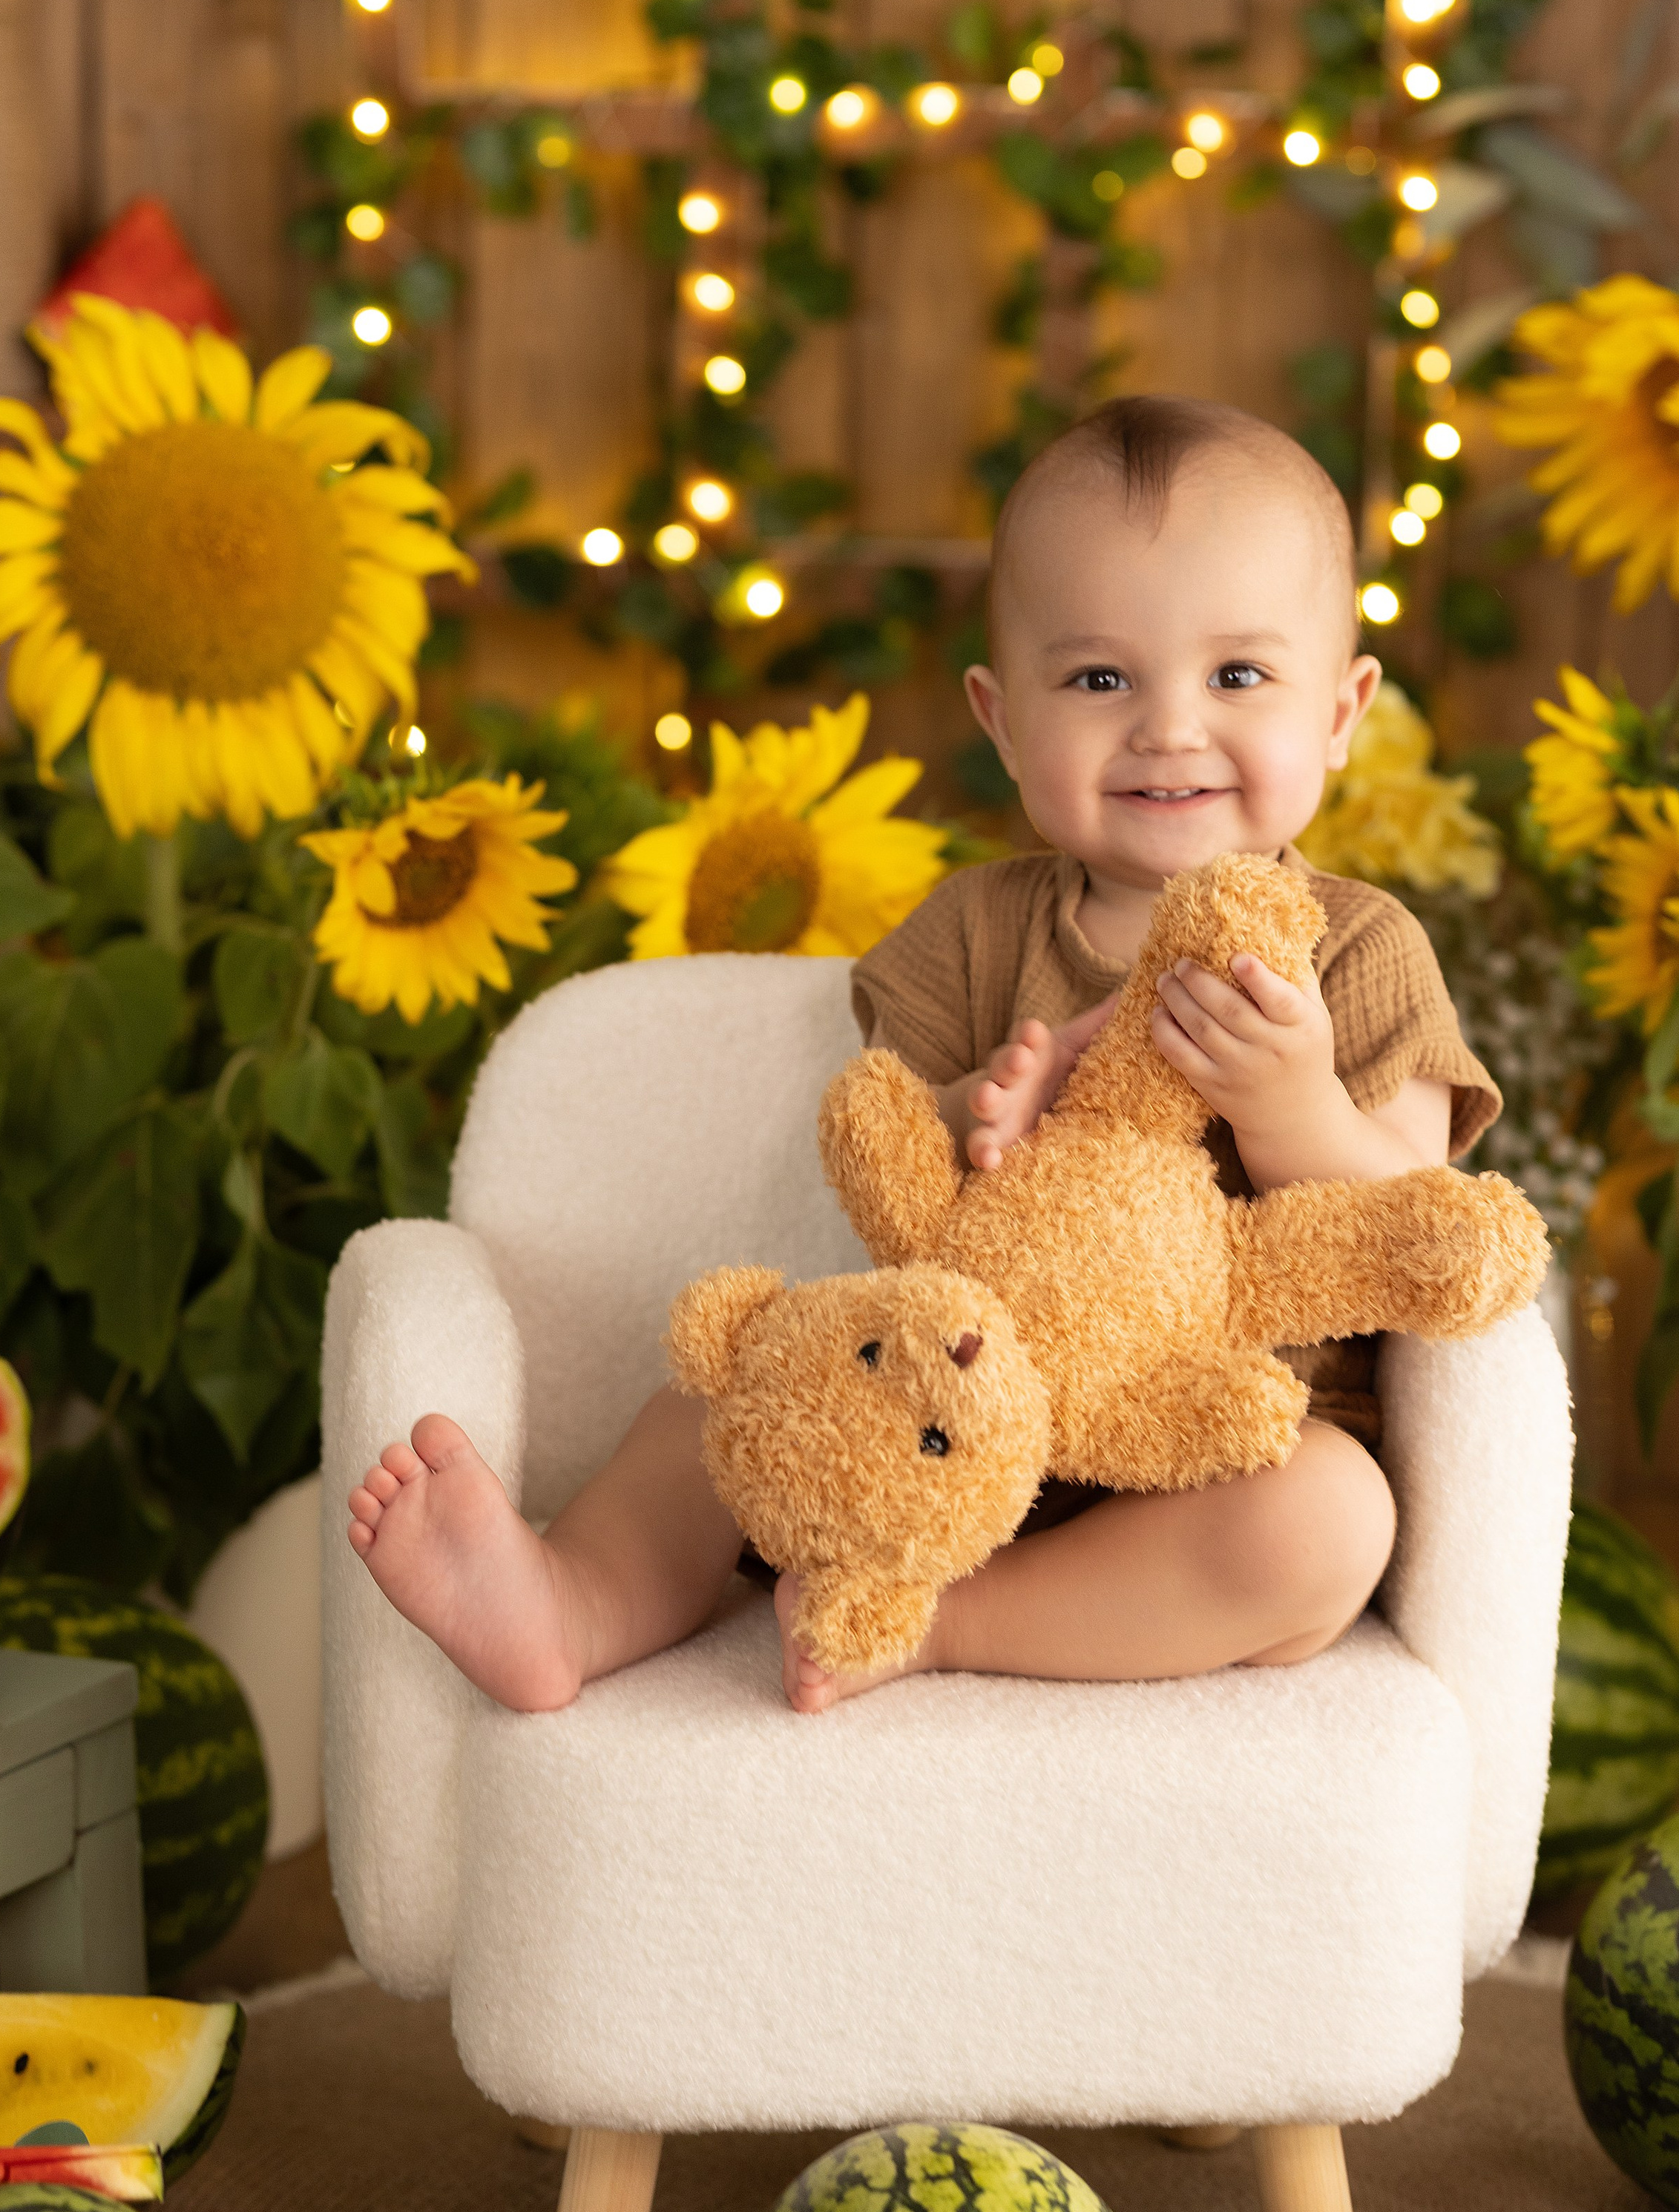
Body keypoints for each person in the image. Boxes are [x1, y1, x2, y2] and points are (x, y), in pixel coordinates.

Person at [345, 393, 1499, 1714]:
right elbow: (892, 1162)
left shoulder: (1358, 949)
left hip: (1213, 1444)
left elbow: (1419, 1226)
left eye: (1238, 675)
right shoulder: (971, 931)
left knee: (1331, 1521)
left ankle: (940, 1624)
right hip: (938, 1427)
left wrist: (1289, 1106)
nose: (1170, 728)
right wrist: (978, 1112)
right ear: (1004, 719)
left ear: (1343, 710)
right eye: (1100, 678)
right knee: (731, 1383)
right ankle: (569, 1603)